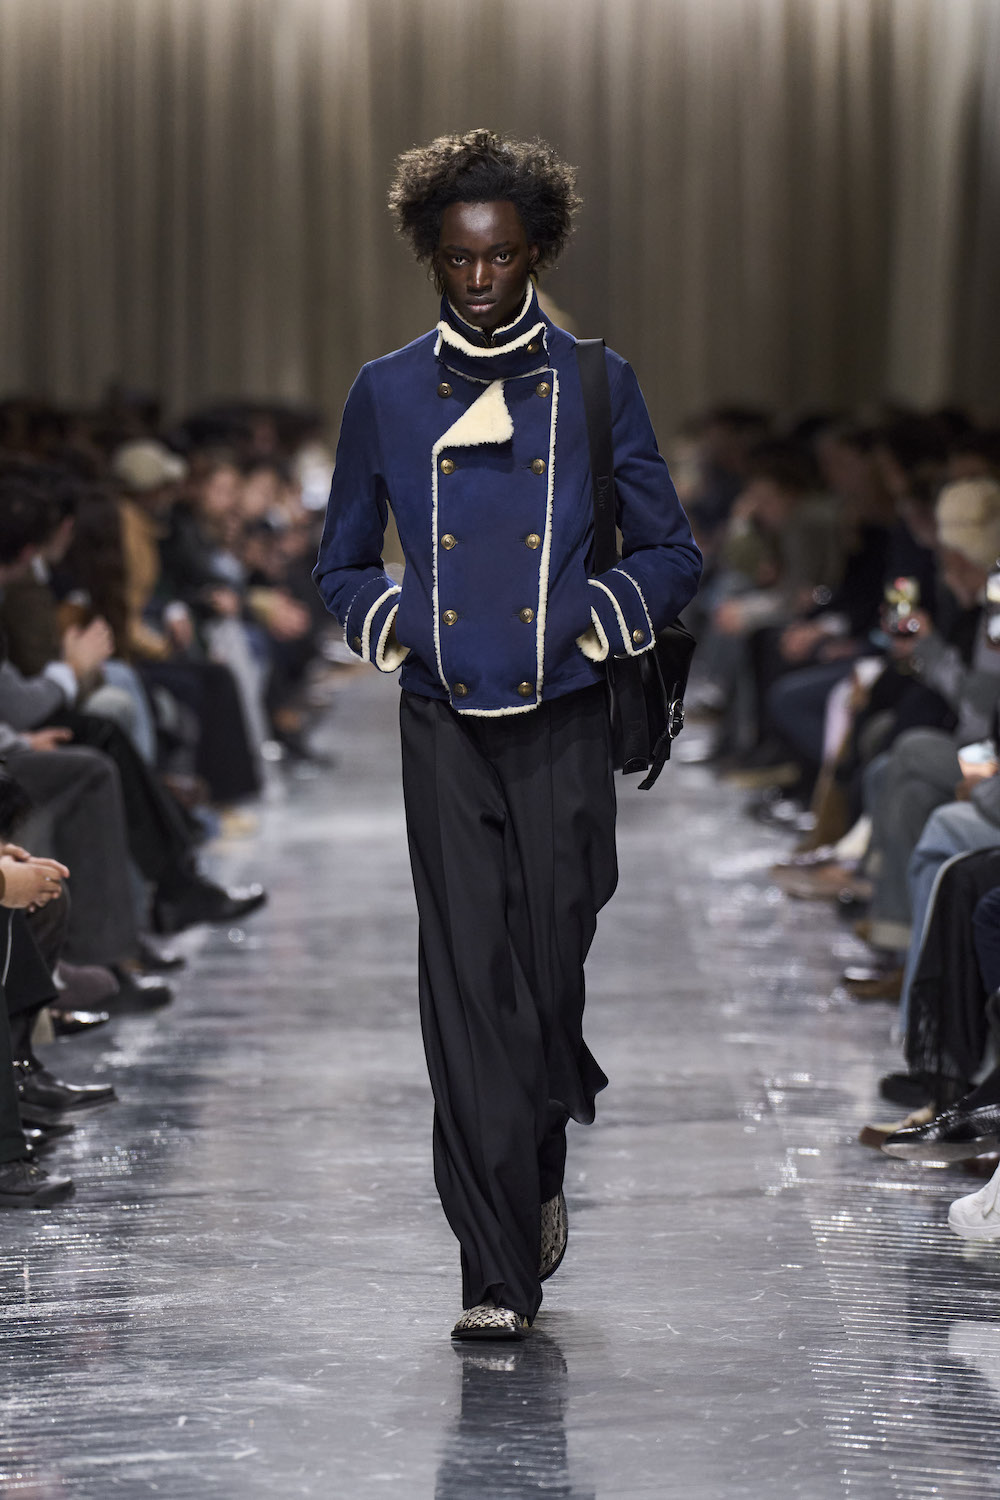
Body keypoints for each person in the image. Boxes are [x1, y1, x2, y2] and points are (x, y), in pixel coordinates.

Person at [314, 129, 701, 1340]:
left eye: (499, 257)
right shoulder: (384, 390)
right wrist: (408, 630)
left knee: (545, 978)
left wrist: (587, 620)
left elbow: (672, 552)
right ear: (431, 256)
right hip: (442, 721)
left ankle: (536, 1158)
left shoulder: (596, 382)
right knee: (467, 987)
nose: (478, 280)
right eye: (458, 259)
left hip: (564, 719)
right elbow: (339, 562)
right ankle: (491, 1273)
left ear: (535, 252)